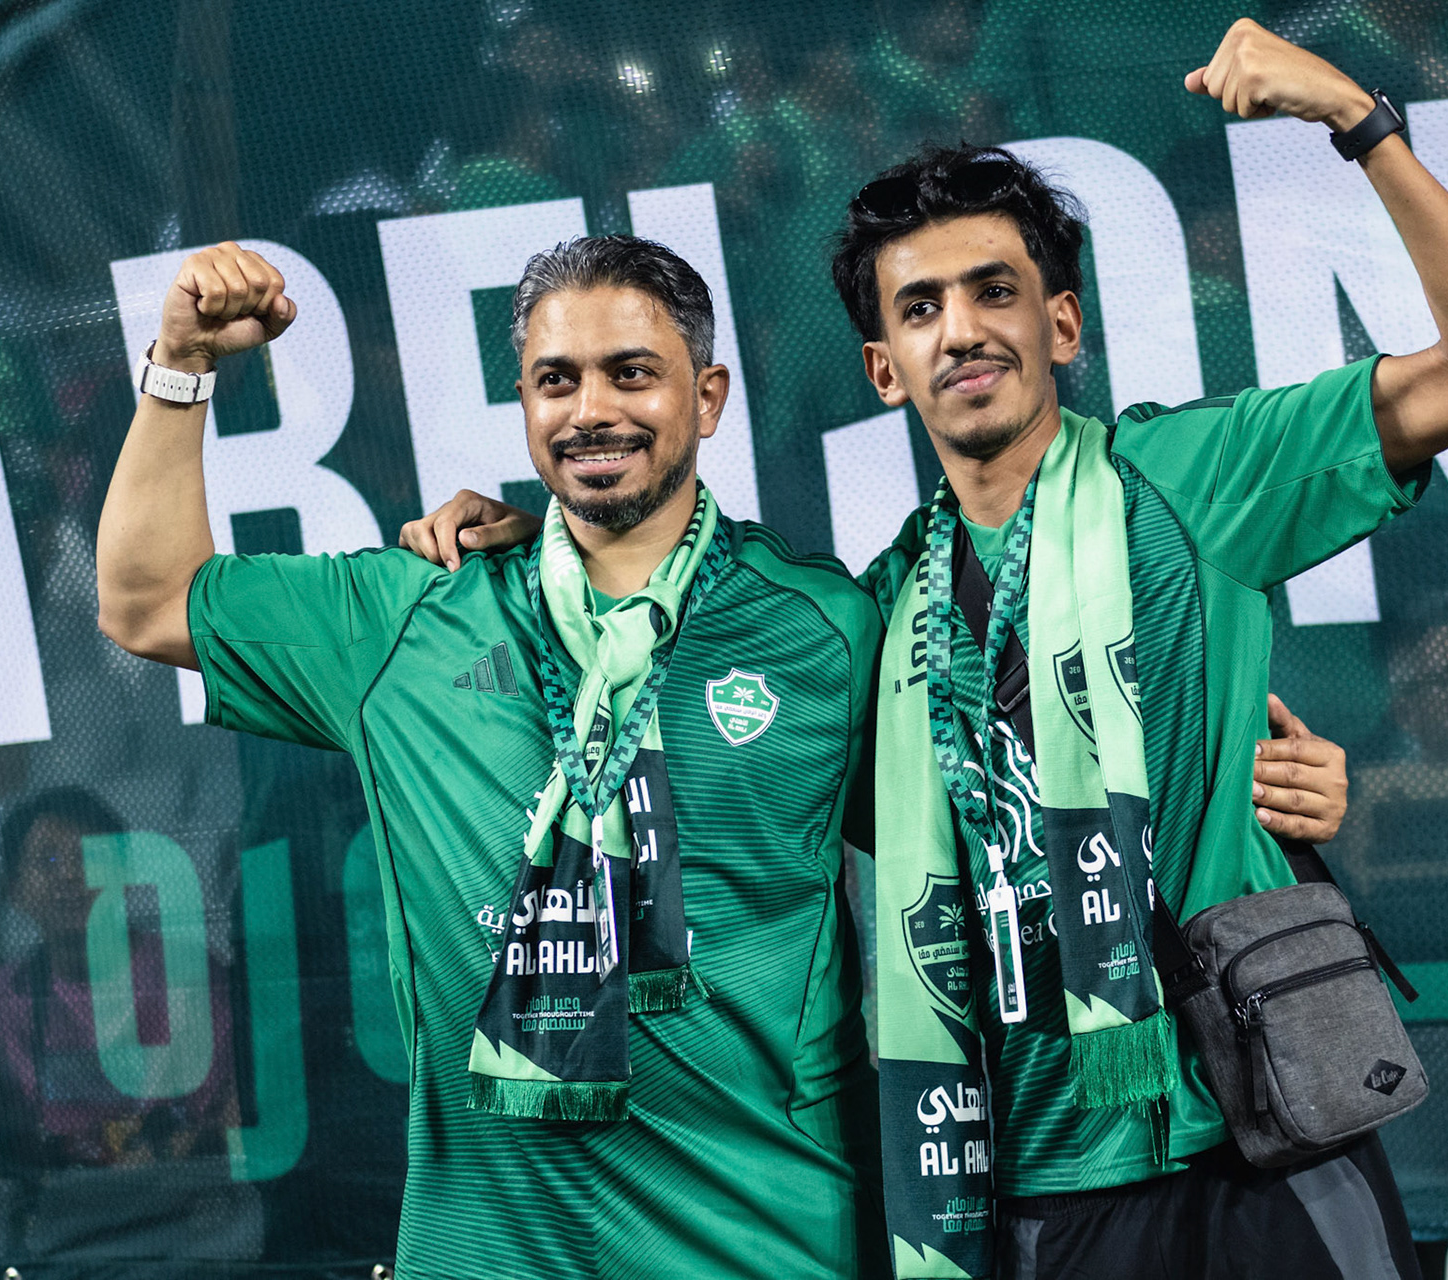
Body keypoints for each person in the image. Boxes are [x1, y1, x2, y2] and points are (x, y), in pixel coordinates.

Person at [831, 19, 1448, 1278]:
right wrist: (511, 543)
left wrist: (1354, 117)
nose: (963, 329)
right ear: (885, 368)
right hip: (1035, 1180)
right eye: (922, 306)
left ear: (1062, 325)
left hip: (1257, 1141)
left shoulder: (1187, 479)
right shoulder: (875, 615)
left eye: (996, 290)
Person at [95, 235, 888, 1277]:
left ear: (709, 396)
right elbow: (146, 598)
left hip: (767, 1248)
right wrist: (181, 364)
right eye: (556, 380)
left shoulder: (827, 630)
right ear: (521, 402)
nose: (591, 408)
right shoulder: (411, 615)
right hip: (491, 1254)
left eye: (631, 373)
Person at [0, 787, 236, 1181]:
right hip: (58, 1227)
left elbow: (233, 1112)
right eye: (47, 860)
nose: (70, 874)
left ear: (127, 874)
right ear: (13, 890)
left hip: (181, 1212)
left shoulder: (189, 973)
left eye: (90, 858)